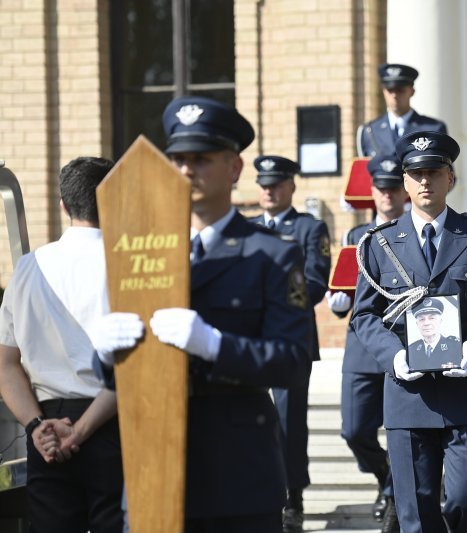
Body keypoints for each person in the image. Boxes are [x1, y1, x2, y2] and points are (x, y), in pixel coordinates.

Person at [94, 95, 312, 533]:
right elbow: (123, 376)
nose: (186, 170)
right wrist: (102, 354)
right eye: (177, 159)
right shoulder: (140, 250)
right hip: (151, 467)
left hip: (237, 476)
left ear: (234, 168)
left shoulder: (273, 254)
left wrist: (215, 346)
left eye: (201, 158)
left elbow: (292, 360)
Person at [351, 131, 467, 532]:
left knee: (465, 498)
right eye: (417, 173)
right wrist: (394, 357)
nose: (425, 181)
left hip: (465, 389)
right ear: (405, 182)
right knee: (416, 509)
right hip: (409, 395)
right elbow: (364, 316)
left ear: (451, 178)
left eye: (435, 172)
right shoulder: (379, 243)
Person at [0, 156, 130, 532]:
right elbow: (135, 365)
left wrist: (36, 425)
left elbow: (6, 364)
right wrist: (82, 429)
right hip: (112, 421)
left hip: (47, 429)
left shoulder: (27, 268)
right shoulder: (129, 266)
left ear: (62, 204)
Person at [326, 153, 408, 532]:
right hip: (362, 346)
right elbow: (344, 288)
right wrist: (337, 302)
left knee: (401, 430)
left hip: (404, 345)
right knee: (354, 430)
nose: (387, 195)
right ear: (372, 191)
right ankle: (386, 476)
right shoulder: (354, 237)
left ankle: (394, 495)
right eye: (381, 188)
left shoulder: (416, 229)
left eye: (394, 188)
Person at [249, 154, 331, 532]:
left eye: (276, 184)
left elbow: (314, 282)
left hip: (290, 341)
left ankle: (292, 499)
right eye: (264, 184)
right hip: (247, 342)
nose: (269, 190)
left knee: (288, 424)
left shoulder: (309, 229)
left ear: (291, 187)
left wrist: (268, 300)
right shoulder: (245, 228)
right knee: (249, 421)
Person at [357, 63, 447, 158]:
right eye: (390, 90)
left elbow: (445, 170)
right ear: (384, 92)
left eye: (400, 90)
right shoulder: (370, 131)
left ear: (412, 91)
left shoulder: (433, 129)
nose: (394, 95)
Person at [406, 298, 460, 372]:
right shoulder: (411, 350)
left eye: (432, 318)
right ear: (417, 324)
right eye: (422, 319)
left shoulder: (455, 346)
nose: (426, 323)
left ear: (440, 321)